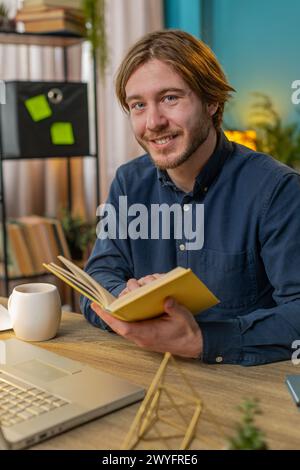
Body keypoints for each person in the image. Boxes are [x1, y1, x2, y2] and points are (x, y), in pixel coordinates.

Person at [81, 29, 300, 365]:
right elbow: (96, 278)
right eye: (138, 105)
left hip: (244, 389)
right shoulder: (128, 182)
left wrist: (203, 340)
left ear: (212, 101)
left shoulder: (277, 191)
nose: (153, 122)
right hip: (144, 370)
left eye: (170, 98)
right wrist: (130, 300)